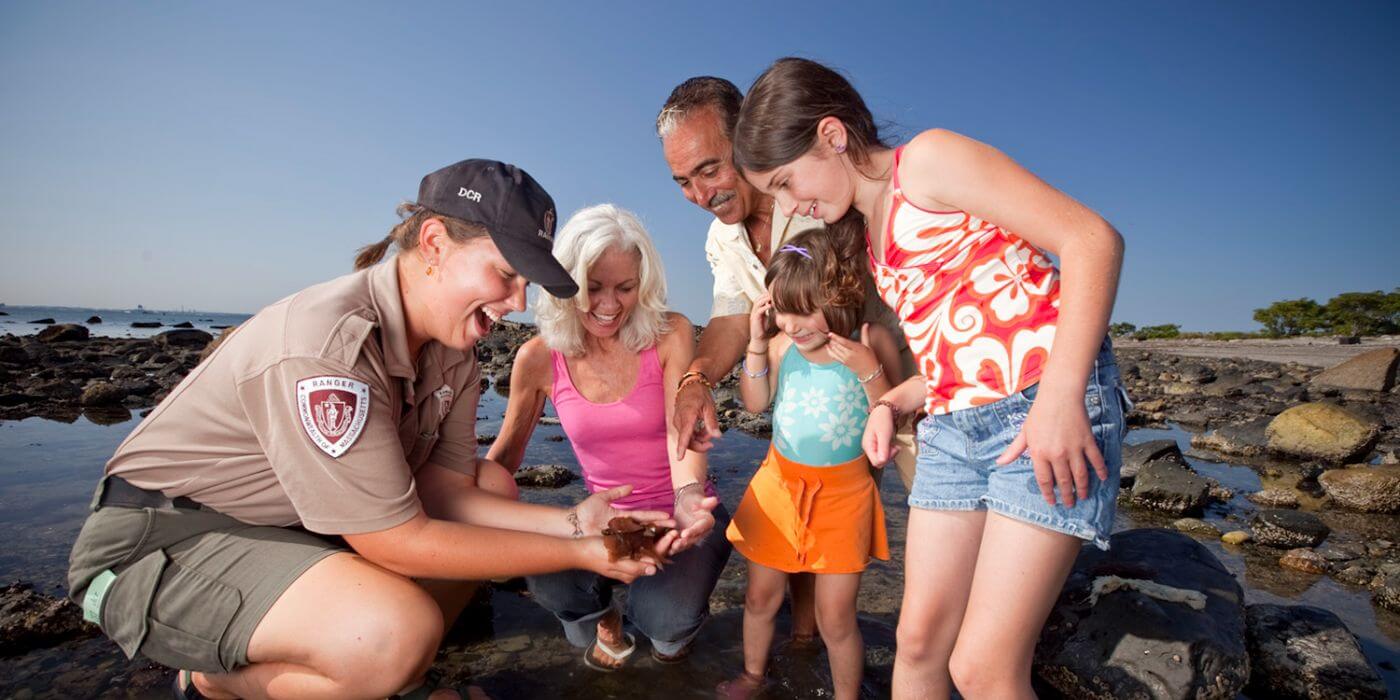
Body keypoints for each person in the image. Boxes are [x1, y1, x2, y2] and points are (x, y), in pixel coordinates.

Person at [67, 160, 675, 700]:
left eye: (526, 283)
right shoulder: (329, 350)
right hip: (163, 539)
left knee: (490, 487)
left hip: (283, 528)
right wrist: (578, 554)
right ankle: (215, 682)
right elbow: (394, 540)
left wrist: (576, 520)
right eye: (504, 274)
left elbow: (446, 488)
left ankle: (394, 674)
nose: (517, 301)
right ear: (434, 242)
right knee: (393, 632)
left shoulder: (455, 351)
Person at [732, 58, 1131, 699]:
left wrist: (1059, 398)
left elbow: (1092, 240)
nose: (787, 205)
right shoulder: (868, 241)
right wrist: (891, 402)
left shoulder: (930, 161)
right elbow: (952, 362)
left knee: (983, 668)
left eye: (784, 182)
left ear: (832, 136)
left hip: (1040, 411)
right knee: (917, 648)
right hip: (954, 427)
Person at [657, 77, 913, 648]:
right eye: (682, 181)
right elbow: (728, 316)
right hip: (825, 405)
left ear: (746, 139)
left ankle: (946, 640)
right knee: (807, 518)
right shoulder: (721, 239)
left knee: (929, 511)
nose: (700, 193)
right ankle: (802, 641)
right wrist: (696, 379)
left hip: (898, 375)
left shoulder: (819, 189)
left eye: (709, 169)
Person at [488, 204, 730, 671]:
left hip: (681, 512)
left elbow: (681, 430)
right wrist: (455, 509)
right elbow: (505, 457)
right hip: (609, 521)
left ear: (645, 283)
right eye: (591, 287)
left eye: (625, 288)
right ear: (564, 284)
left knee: (666, 627)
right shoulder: (537, 358)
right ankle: (606, 621)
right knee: (549, 578)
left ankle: (668, 629)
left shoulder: (670, 333)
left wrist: (688, 496)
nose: (609, 305)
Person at [719, 230, 899, 699]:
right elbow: (756, 403)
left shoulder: (870, 339)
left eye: (803, 310)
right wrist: (757, 343)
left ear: (839, 297)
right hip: (778, 488)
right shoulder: (780, 346)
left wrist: (869, 370)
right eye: (781, 309)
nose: (792, 324)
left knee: (835, 618)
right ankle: (753, 676)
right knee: (760, 597)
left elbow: (896, 414)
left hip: (845, 496)